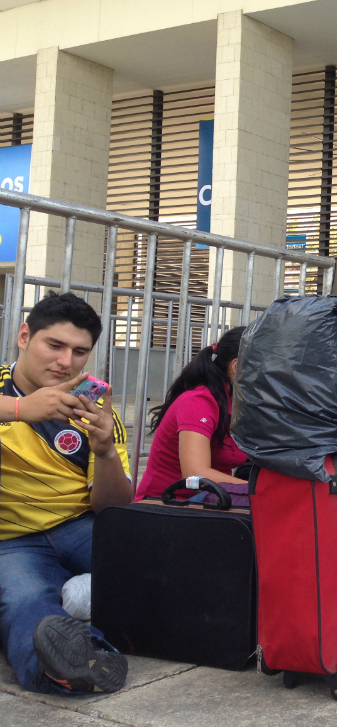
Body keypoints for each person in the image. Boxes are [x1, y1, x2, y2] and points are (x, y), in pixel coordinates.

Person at [0, 292, 132, 695]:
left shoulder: (92, 409)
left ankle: (83, 615)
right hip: (11, 540)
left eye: (79, 352)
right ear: (24, 336)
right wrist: (21, 410)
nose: (65, 362)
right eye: (54, 345)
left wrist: (106, 451)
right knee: (25, 601)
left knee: (153, 573)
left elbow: (114, 507)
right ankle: (65, 666)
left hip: (80, 524)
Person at [135, 327, 248, 501]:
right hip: (167, 505)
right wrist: (256, 490)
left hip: (209, 500)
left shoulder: (241, 402)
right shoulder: (199, 402)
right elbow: (195, 475)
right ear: (236, 367)